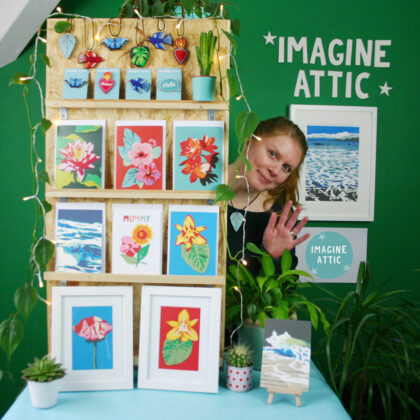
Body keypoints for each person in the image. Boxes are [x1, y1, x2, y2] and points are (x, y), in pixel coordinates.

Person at [227, 116, 310, 275]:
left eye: (286, 167)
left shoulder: (279, 216)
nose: (275, 171)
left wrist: (274, 258)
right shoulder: (197, 184)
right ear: (249, 142)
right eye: (273, 154)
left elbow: (285, 291)